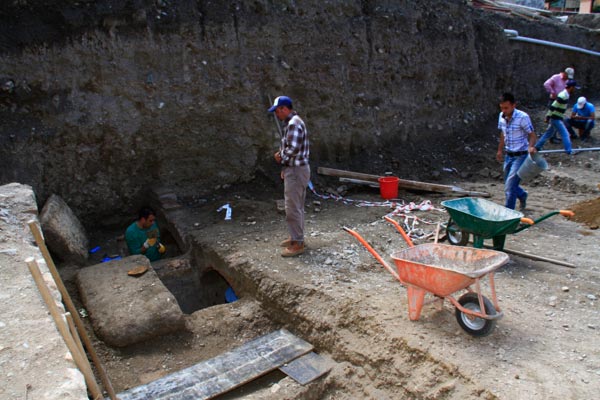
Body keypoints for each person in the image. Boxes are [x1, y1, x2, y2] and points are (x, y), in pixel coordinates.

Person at [268, 96, 310, 257]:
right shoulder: (294, 122)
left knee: (292, 207)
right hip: (295, 169)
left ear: (284, 109)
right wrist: (286, 166)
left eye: (278, 111)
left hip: (297, 170)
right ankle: (296, 237)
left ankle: (298, 243)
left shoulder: (293, 124)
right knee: (296, 205)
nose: (277, 115)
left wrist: (281, 157)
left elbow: (292, 149)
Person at [496, 93, 537, 211]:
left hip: (521, 156)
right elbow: (503, 134)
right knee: (509, 184)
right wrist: (499, 150)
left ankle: (508, 214)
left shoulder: (523, 117)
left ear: (514, 105)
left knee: (509, 187)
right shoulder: (501, 116)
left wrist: (531, 146)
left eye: (506, 108)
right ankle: (523, 195)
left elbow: (532, 135)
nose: (504, 111)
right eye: (502, 108)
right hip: (509, 155)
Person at [535, 79, 580, 154]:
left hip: (557, 117)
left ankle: (537, 146)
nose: (575, 89)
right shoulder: (563, 95)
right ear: (571, 87)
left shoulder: (565, 94)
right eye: (574, 87)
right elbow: (553, 106)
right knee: (565, 134)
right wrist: (548, 116)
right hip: (556, 118)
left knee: (548, 134)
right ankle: (569, 150)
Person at [543, 67, 574, 143]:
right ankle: (550, 137)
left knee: (558, 118)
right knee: (553, 119)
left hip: (561, 101)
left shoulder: (567, 81)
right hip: (554, 100)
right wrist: (552, 92)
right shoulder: (556, 77)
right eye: (567, 76)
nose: (567, 78)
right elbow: (546, 84)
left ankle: (553, 136)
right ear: (565, 73)